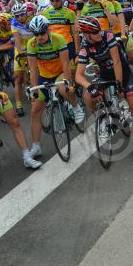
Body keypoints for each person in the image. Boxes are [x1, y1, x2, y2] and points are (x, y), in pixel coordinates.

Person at [76, 16, 133, 162]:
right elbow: (78, 76)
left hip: (122, 72)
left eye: (99, 30)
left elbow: (116, 61)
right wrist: (90, 87)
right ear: (86, 35)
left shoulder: (108, 36)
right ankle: (103, 115)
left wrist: (118, 84)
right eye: (95, 32)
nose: (99, 33)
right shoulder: (85, 47)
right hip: (105, 74)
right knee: (87, 97)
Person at [26, 15, 85, 158]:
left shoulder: (58, 39)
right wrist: (34, 90)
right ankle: (36, 146)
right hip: (44, 76)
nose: (39, 37)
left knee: (63, 89)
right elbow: (33, 69)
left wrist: (69, 84)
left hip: (60, 73)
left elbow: (65, 64)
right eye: (36, 34)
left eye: (41, 33)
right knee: (35, 110)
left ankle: (76, 107)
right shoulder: (32, 44)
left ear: (48, 31)